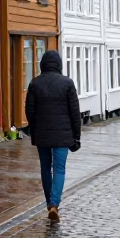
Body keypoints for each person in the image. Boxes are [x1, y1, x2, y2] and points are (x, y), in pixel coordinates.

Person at [25, 50, 81, 223]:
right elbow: (75, 112)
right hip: (63, 135)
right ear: (59, 64)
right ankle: (55, 204)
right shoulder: (67, 83)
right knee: (59, 169)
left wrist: (34, 128)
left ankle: (50, 203)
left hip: (42, 134)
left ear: (43, 64)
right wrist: (76, 136)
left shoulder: (35, 83)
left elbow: (29, 111)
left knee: (45, 168)